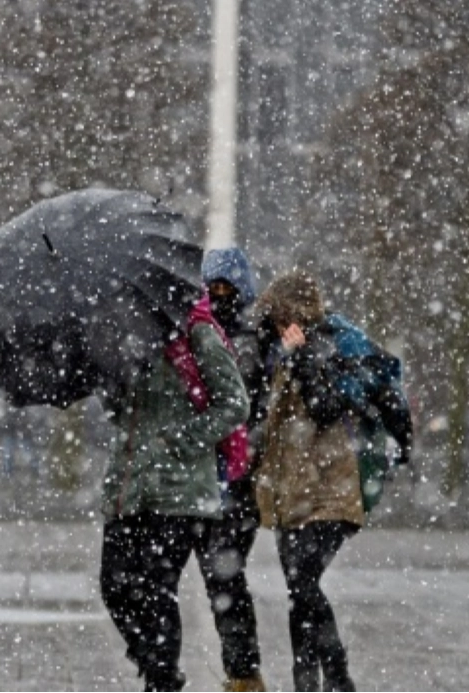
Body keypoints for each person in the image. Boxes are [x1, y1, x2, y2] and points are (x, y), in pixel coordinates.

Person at [98, 293, 250, 693]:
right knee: (114, 587)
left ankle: (161, 680)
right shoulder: (126, 337)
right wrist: (110, 382)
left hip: (179, 490)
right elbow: (121, 413)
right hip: (129, 487)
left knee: (154, 589)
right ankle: (158, 669)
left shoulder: (197, 333)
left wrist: (183, 441)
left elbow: (234, 403)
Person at [253, 270, 367, 693]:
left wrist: (302, 359)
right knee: (299, 591)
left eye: (281, 314)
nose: (278, 322)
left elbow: (325, 409)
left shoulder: (327, 348)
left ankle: (337, 678)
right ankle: (308, 684)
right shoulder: (279, 353)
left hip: (328, 492)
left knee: (303, 584)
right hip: (290, 494)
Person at [197, 247, 268, 693]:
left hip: (237, 475)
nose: (221, 295)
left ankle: (243, 672)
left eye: (228, 288)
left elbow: (241, 400)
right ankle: (241, 670)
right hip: (212, 473)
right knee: (221, 576)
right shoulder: (205, 332)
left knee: (224, 575)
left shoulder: (248, 338)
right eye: (213, 287)